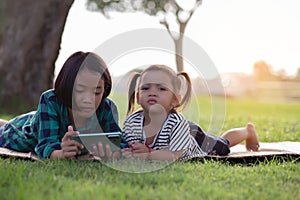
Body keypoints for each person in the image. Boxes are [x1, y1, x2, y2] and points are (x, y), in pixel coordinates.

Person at [121, 64, 260, 161]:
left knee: (223, 144)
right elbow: (130, 148)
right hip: (178, 136)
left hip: (194, 137)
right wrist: (131, 152)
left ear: (175, 100)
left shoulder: (176, 123)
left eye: (161, 89)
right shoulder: (131, 122)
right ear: (138, 97)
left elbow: (174, 156)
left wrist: (148, 155)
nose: (152, 92)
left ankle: (248, 131)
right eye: (146, 88)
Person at [0, 51, 122, 159]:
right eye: (80, 90)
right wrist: (62, 153)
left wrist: (116, 152)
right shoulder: (50, 100)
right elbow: (46, 146)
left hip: (37, 118)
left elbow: (119, 142)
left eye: (96, 92)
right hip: (20, 131)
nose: (88, 100)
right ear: (67, 86)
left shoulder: (107, 107)